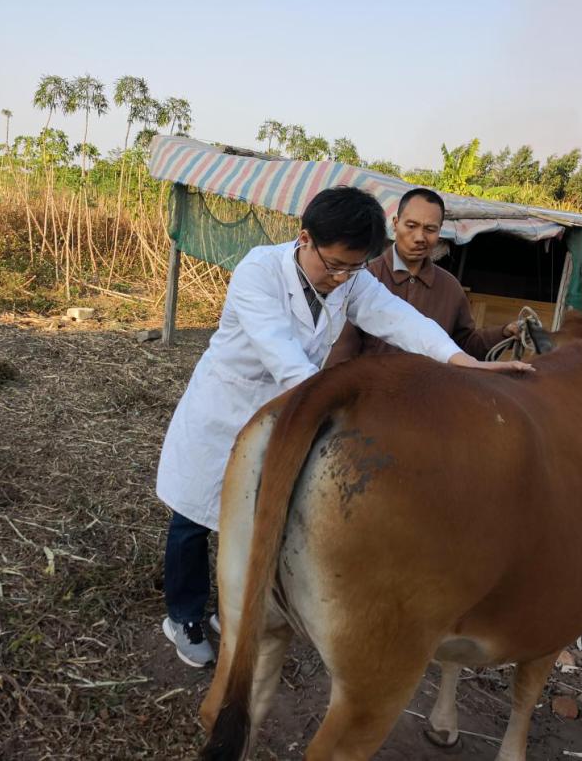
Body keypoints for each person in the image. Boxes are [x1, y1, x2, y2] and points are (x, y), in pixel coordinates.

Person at [156, 186, 532, 667]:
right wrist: (335, 418)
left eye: (352, 269)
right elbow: (282, 355)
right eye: (333, 265)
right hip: (228, 406)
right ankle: (183, 615)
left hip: (284, 411)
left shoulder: (351, 279)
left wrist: (461, 361)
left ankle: (229, 608)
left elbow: (399, 318)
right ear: (304, 239)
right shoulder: (258, 272)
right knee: (192, 519)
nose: (340, 278)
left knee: (258, 514)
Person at [327, 187, 518, 366]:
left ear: (439, 232)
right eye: (411, 226)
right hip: (372, 389)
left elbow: (463, 346)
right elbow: (342, 353)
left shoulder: (450, 288)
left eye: (430, 229)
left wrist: (503, 334)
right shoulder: (364, 280)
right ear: (396, 224)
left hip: (430, 390)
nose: (419, 237)